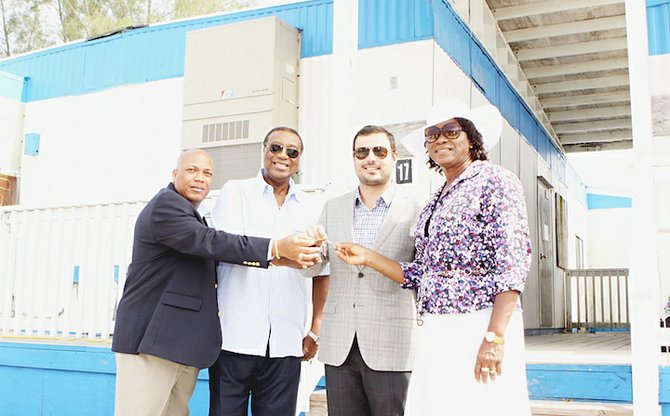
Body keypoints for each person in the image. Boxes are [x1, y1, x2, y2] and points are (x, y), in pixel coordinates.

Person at [334, 100, 532, 416]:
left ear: (472, 138)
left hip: (478, 321)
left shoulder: (495, 181)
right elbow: (421, 274)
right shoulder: (439, 196)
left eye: (451, 130)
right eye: (432, 134)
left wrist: (494, 337)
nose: (440, 138)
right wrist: (369, 257)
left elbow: (512, 261)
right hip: (437, 327)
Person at [112, 148, 320, 416]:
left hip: (176, 345)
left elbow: (213, 250)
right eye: (192, 170)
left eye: (207, 173)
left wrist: (285, 260)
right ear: (174, 174)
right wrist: (276, 248)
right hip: (149, 343)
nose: (200, 178)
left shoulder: (191, 214)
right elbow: (212, 242)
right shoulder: (166, 206)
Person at [305, 125, 421, 416]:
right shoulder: (333, 207)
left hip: (392, 343)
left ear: (394, 156)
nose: (371, 158)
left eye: (379, 151)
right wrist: (311, 248)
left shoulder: (416, 208)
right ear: (354, 158)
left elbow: (423, 274)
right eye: (362, 151)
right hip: (340, 343)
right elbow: (314, 269)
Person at [208, 127, 325, 416]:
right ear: (264, 150)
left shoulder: (311, 207)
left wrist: (315, 329)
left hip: (286, 341)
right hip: (235, 337)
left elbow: (322, 270)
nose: (282, 156)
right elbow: (229, 248)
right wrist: (281, 250)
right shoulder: (236, 192)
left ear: (299, 160)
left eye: (292, 152)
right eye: (276, 148)